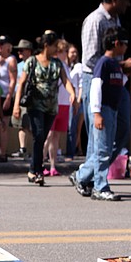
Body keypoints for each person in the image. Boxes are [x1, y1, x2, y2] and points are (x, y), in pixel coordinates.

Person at [79, 0, 131, 172]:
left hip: (116, 81)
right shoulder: (95, 20)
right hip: (96, 80)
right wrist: (120, 66)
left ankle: (87, 174)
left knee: (122, 129)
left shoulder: (115, 20)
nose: (128, 4)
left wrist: (123, 67)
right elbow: (90, 59)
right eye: (125, 0)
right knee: (98, 134)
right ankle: (91, 178)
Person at [68, 28, 128, 202]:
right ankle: (100, 186)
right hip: (104, 110)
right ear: (116, 43)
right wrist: (97, 113)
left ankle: (80, 176)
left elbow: (117, 83)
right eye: (124, 44)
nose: (125, 48)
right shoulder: (103, 63)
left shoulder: (115, 64)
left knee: (105, 150)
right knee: (102, 151)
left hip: (113, 110)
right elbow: (96, 88)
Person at [13, 31, 73, 186]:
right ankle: (38, 171)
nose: (57, 50)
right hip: (35, 105)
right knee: (38, 135)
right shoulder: (32, 61)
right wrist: (16, 105)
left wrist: (72, 93)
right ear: (47, 46)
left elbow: (65, 80)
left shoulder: (57, 63)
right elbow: (21, 83)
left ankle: (32, 170)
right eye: (54, 46)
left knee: (42, 137)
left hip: (51, 107)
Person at [42, 38, 75, 177]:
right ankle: (41, 163)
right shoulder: (54, 65)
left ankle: (53, 166)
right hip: (53, 103)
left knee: (56, 136)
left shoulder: (66, 66)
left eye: (64, 51)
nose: (63, 53)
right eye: (60, 51)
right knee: (48, 135)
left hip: (64, 103)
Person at [9, 39, 34, 160]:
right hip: (19, 98)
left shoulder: (35, 64)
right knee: (20, 124)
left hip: (30, 98)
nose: (19, 52)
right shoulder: (18, 66)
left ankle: (38, 149)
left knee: (31, 125)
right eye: (18, 50)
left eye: (22, 50)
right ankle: (22, 149)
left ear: (29, 51)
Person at [0, 35, 18, 162]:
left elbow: (13, 80)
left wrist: (9, 97)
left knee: (3, 125)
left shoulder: (11, 60)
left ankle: (3, 153)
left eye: (3, 43)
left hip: (5, 95)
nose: (0, 46)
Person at [65, 44, 84, 160]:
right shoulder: (65, 66)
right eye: (72, 52)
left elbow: (81, 85)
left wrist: (78, 99)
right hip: (64, 100)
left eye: (75, 52)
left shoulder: (78, 67)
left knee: (73, 127)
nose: (74, 54)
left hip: (74, 100)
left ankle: (70, 152)